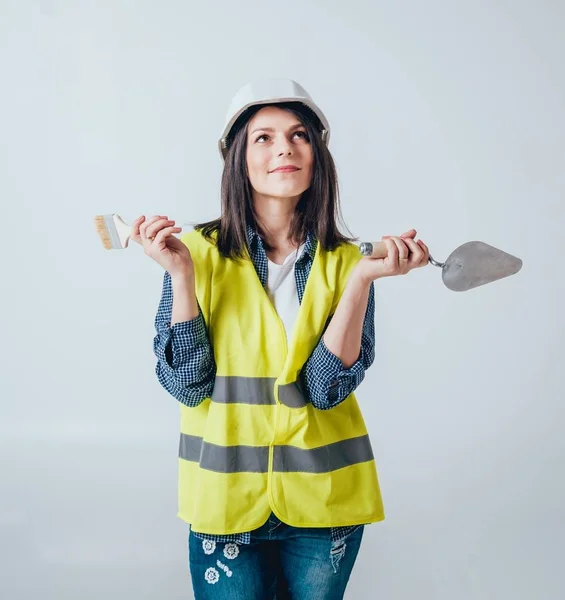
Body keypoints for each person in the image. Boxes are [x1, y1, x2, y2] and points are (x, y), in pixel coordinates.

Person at [130, 79, 429, 599]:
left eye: (298, 135)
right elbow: (186, 384)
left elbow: (325, 388)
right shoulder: (192, 253)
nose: (284, 148)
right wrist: (180, 278)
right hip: (226, 501)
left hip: (324, 501)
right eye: (263, 138)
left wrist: (361, 282)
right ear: (238, 159)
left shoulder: (349, 262)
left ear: (318, 155)